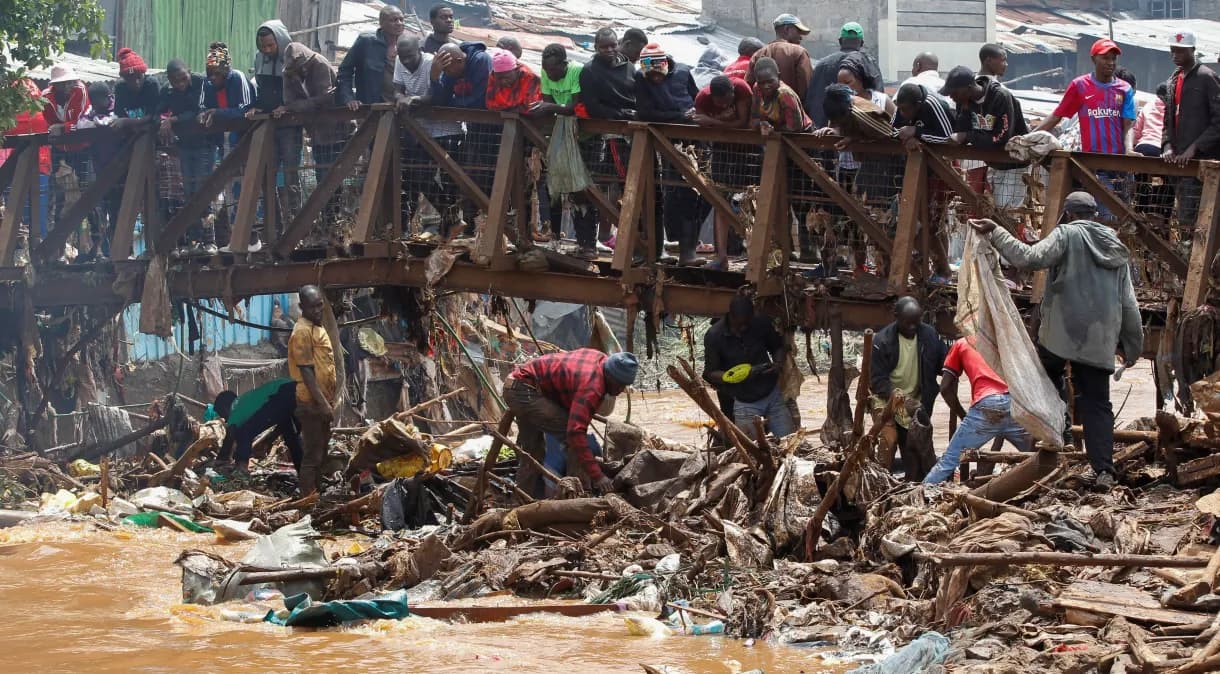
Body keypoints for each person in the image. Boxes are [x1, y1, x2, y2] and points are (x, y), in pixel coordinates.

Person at [970, 191, 1142, 488]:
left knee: (1047, 377)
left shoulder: (1067, 234)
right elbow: (1129, 303)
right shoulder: (1116, 247)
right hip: (1099, 338)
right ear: (1092, 214)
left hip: (1061, 332)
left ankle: (1058, 436)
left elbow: (1029, 257)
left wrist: (996, 231)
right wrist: (1133, 345)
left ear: (1070, 214)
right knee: (1097, 404)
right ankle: (1104, 471)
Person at [503, 349, 639, 495]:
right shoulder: (592, 387)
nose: (620, 390)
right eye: (619, 385)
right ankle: (580, 496)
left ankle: (522, 499)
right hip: (525, 391)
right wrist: (598, 477)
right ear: (611, 377)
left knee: (533, 450)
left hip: (518, 385)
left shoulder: (601, 359)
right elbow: (575, 433)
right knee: (574, 439)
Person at [923, 337, 1032, 485]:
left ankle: (919, 496)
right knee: (1038, 455)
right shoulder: (1003, 338)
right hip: (1015, 404)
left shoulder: (962, 343)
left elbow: (945, 388)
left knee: (947, 463)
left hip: (986, 404)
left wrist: (963, 415)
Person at [634, 43, 703, 265]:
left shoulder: (682, 72)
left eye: (657, 73)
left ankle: (688, 252)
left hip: (692, 144)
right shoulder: (641, 79)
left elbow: (697, 101)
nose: (655, 78)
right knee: (668, 194)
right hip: (661, 143)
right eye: (650, 74)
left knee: (692, 195)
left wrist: (690, 117)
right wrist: (679, 118)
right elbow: (646, 112)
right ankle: (665, 247)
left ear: (664, 65)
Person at [869, 296, 948, 478]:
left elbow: (943, 363)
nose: (913, 328)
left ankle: (914, 482)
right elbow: (878, 380)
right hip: (886, 400)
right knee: (889, 439)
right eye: (908, 323)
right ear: (896, 316)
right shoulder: (882, 341)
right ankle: (880, 479)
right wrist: (900, 400)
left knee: (914, 447)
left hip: (917, 401)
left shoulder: (929, 335)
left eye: (916, 323)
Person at [394, 35, 464, 236]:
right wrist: (401, 98)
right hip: (421, 131)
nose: (406, 61)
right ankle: (451, 222)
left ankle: (450, 228)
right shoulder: (400, 61)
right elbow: (397, 89)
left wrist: (414, 100)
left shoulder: (432, 63)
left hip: (445, 129)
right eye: (402, 56)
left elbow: (438, 96)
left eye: (410, 56)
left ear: (420, 50)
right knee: (418, 177)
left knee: (449, 180)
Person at [703, 294, 794, 440]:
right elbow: (709, 373)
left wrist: (778, 364)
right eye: (740, 324)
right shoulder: (714, 336)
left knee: (790, 442)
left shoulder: (761, 322)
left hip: (772, 395)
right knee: (752, 451)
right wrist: (732, 377)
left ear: (752, 316)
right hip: (744, 402)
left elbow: (777, 346)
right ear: (731, 316)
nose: (744, 328)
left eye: (747, 323)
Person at [942, 66, 1030, 212]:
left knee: (1007, 213)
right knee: (993, 211)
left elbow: (1002, 138)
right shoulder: (964, 101)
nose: (951, 97)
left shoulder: (1000, 96)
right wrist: (964, 112)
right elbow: (960, 132)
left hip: (1014, 164)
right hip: (993, 163)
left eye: (954, 92)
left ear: (968, 88)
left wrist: (968, 136)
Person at [432, 41, 494, 235]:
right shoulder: (452, 67)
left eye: (448, 71)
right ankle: (471, 228)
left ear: (459, 60)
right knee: (470, 177)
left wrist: (453, 103)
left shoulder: (480, 60)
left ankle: (494, 230)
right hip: (475, 129)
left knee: (491, 179)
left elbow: (480, 100)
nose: (448, 75)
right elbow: (441, 100)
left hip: (498, 130)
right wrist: (435, 77)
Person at [1035, 39, 1135, 156]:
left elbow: (1128, 126)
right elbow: (1057, 116)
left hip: (1118, 159)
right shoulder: (1079, 85)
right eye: (1105, 58)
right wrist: (1028, 137)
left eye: (1113, 58)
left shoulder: (1125, 88)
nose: (1110, 62)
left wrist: (1129, 150)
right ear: (1093, 59)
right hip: (1089, 160)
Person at [250, 20, 302, 242]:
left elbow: (301, 90)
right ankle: (275, 228)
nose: (267, 50)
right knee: (268, 176)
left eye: (270, 45)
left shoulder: (293, 57)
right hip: (269, 125)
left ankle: (297, 227)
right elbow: (261, 89)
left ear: (279, 41)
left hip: (289, 125)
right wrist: (257, 106)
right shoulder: (260, 59)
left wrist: (288, 107)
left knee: (291, 175)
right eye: (263, 46)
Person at [1162, 30, 1220, 232]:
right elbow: (1168, 117)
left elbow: (1218, 121)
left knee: (1196, 221)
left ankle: (1192, 260)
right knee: (1184, 217)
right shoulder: (1174, 79)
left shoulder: (1207, 77)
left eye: (1180, 51)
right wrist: (1167, 144)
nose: (1175, 55)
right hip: (1178, 161)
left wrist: (1194, 148)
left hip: (1201, 163)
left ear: (1193, 50)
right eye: (1173, 51)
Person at [159, 60, 217, 256]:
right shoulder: (168, 92)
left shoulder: (201, 83)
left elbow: (197, 111)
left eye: (183, 78)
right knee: (189, 192)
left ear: (189, 72)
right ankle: (194, 240)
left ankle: (209, 240)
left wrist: (172, 120)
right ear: (170, 81)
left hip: (205, 144)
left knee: (203, 190)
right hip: (185, 145)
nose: (181, 83)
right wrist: (162, 120)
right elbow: (158, 111)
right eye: (176, 81)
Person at [695, 74, 753, 269]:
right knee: (720, 201)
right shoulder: (702, 98)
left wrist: (714, 122)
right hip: (720, 150)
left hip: (747, 150)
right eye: (719, 102)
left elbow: (742, 123)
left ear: (733, 93)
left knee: (749, 201)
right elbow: (700, 123)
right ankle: (721, 257)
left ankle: (755, 256)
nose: (724, 105)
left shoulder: (742, 88)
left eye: (728, 101)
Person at [288, 284, 337, 495]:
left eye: (320, 306)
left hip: (321, 401)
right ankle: (307, 501)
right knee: (312, 456)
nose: (318, 311)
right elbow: (306, 372)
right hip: (311, 403)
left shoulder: (317, 326)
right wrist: (323, 404)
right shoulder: (302, 332)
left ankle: (316, 493)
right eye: (313, 307)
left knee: (321, 453)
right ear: (302, 307)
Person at [281, 42, 349, 189]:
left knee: (334, 175)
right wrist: (306, 104)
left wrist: (299, 105)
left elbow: (326, 98)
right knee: (321, 175)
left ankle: (334, 210)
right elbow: (288, 101)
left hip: (337, 131)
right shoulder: (288, 72)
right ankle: (327, 211)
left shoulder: (319, 64)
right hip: (316, 132)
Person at [213, 378, 303, 471]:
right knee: (291, 437)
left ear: (225, 408)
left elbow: (230, 435)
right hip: (294, 387)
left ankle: (241, 470)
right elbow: (277, 422)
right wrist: (267, 442)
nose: (226, 420)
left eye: (223, 415)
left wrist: (221, 459)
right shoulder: (247, 402)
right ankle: (305, 477)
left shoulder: (236, 407)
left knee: (242, 432)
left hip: (281, 392)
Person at [74, 82, 120, 260]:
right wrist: (97, 121)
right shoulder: (91, 111)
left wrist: (101, 122)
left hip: (119, 168)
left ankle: (118, 251)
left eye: (97, 100)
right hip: (98, 168)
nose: (94, 104)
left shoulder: (117, 106)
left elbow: (114, 120)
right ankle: (102, 251)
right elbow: (81, 124)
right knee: (99, 211)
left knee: (117, 210)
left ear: (107, 98)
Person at [807, 22, 883, 128]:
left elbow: (813, 101)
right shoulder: (869, 65)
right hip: (860, 136)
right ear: (861, 43)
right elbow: (878, 102)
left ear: (840, 41)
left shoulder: (821, 65)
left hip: (822, 136)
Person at [42, 64, 91, 227]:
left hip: (82, 148)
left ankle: (95, 242)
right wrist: (60, 128)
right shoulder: (45, 98)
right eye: (65, 82)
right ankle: (58, 242)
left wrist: (63, 127)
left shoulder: (80, 90)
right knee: (59, 194)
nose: (70, 85)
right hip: (59, 150)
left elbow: (82, 122)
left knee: (87, 192)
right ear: (56, 85)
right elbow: (50, 124)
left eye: (71, 81)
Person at [338, 4, 407, 108]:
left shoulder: (408, 44)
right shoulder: (366, 42)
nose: (399, 23)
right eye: (393, 20)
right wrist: (349, 98)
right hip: (370, 107)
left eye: (401, 20)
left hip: (400, 107)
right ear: (381, 23)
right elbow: (345, 70)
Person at [747, 14, 813, 102]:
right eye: (798, 31)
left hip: (765, 113)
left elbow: (749, 88)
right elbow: (806, 89)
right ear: (787, 29)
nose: (801, 37)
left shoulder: (757, 55)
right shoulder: (799, 53)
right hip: (793, 111)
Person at [580, 28, 637, 121]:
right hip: (607, 124)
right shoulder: (589, 71)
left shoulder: (629, 66)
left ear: (618, 44)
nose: (609, 50)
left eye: (613, 45)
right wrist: (623, 114)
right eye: (604, 47)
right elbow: (592, 107)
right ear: (596, 48)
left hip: (634, 121)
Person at [113, 48, 159, 125]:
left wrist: (127, 122)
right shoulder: (120, 88)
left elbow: (153, 115)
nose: (136, 82)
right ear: (125, 79)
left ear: (144, 74)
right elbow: (119, 114)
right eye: (131, 79)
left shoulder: (151, 85)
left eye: (139, 77)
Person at [486, 48, 541, 112]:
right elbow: (491, 106)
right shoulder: (493, 78)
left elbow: (532, 107)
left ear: (516, 70)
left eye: (506, 78)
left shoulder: (529, 78)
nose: (503, 82)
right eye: (499, 78)